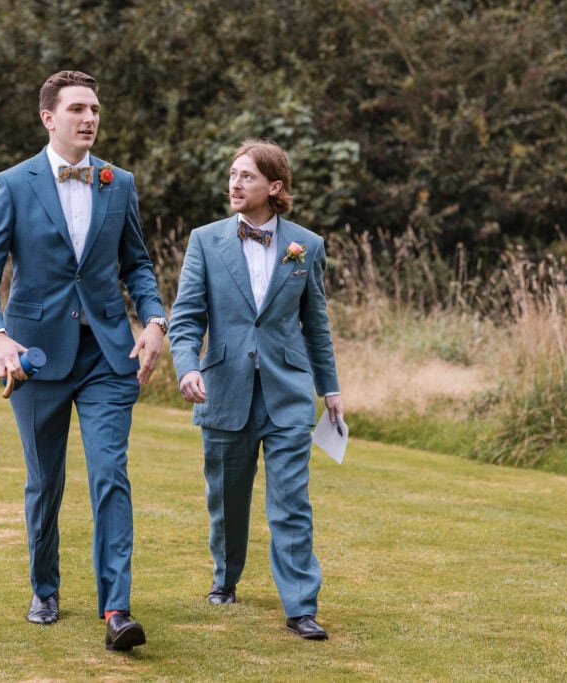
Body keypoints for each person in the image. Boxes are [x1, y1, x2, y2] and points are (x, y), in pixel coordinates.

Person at [0, 69, 167, 653]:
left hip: (108, 355)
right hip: (33, 357)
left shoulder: (118, 182)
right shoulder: (13, 183)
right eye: (78, 108)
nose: (90, 118)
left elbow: (139, 266)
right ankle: (45, 587)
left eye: (96, 109)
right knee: (44, 481)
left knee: (111, 476)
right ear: (49, 118)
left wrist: (155, 321)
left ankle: (117, 609)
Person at [168, 139, 344, 640]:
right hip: (223, 388)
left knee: (291, 501)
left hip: (288, 393)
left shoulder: (306, 246)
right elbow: (186, 318)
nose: (235, 183)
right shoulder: (205, 240)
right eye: (232, 174)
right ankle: (225, 577)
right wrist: (187, 367)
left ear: (275, 187)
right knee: (226, 499)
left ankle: (300, 606)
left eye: (247, 176)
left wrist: (329, 388)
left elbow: (316, 325)